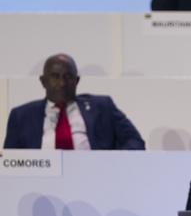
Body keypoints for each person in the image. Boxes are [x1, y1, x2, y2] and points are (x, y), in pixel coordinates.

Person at [3, 54, 145, 150]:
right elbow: (8, 161)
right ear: (43, 81)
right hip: (42, 184)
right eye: (55, 76)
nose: (62, 83)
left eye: (68, 76)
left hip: (95, 178)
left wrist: (109, 162)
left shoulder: (102, 106)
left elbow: (135, 142)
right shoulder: (21, 116)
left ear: (77, 81)